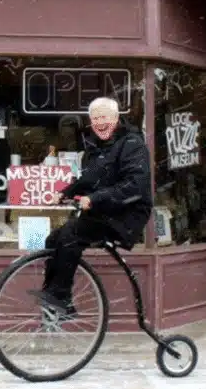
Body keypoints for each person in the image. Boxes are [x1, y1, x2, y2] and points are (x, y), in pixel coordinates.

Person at [31, 97, 153, 317]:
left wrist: (95, 198)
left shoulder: (132, 144)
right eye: (95, 119)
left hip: (126, 215)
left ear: (116, 118)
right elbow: (88, 180)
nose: (99, 123)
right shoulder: (98, 147)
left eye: (104, 117)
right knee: (53, 239)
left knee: (70, 234)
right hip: (105, 212)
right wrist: (63, 193)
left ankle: (61, 298)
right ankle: (52, 295)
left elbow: (135, 186)